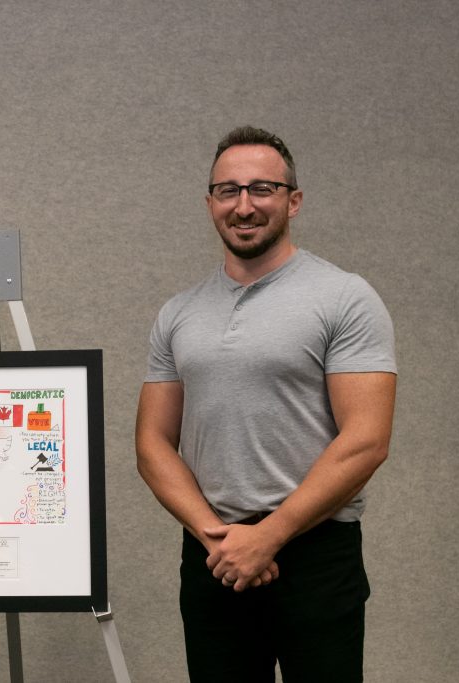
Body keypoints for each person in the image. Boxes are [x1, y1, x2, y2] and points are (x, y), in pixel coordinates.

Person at [135, 126, 397, 682]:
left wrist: (270, 535)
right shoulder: (177, 313)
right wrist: (217, 537)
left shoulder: (345, 297)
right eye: (228, 191)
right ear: (210, 202)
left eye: (262, 189)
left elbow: (367, 441)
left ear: (293, 201)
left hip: (314, 553)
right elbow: (152, 443)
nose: (244, 205)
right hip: (213, 556)